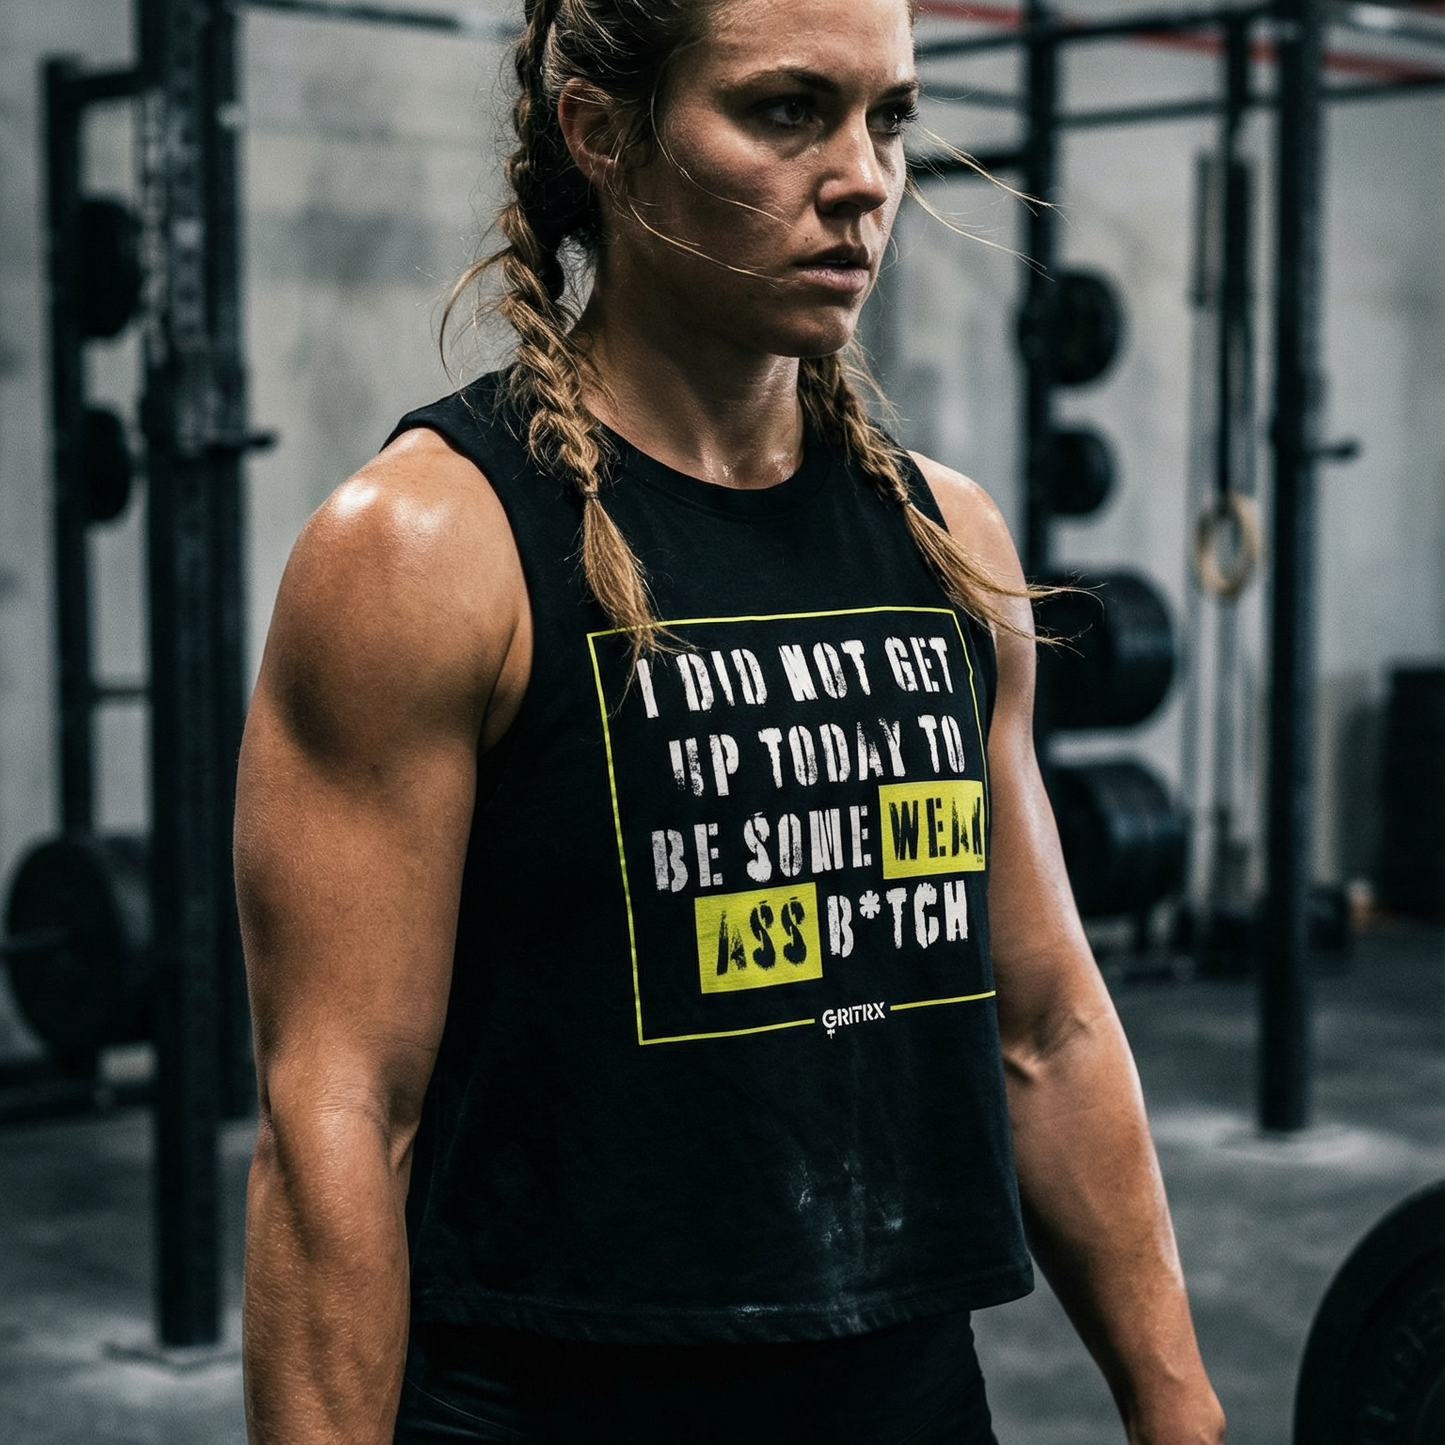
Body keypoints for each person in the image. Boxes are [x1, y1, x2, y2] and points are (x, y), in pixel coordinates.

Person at [236, 0, 1226, 1440]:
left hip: (906, 1398)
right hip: (553, 1405)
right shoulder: (426, 549)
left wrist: (1180, 1407)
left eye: (888, 117)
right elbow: (340, 1119)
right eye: (785, 112)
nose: (865, 178)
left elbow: (1049, 1028)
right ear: (603, 135)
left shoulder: (948, 541)